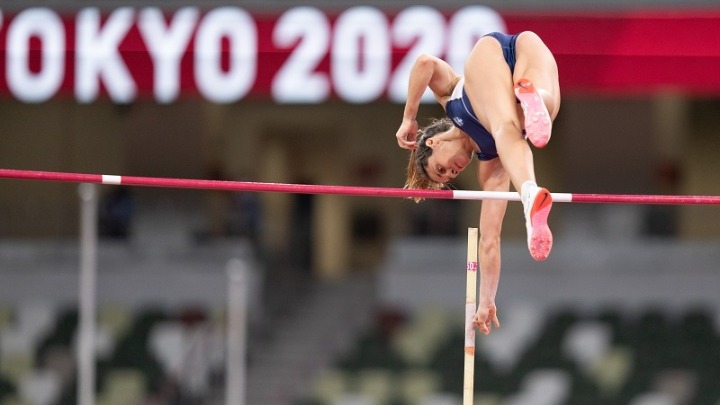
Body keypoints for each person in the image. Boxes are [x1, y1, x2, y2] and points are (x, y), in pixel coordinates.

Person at [394, 31, 561, 335]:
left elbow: (424, 63)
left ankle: (529, 192)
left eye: (441, 168)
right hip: (530, 46)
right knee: (544, 111)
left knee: (504, 127)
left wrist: (409, 117)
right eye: (450, 177)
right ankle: (534, 104)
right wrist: (487, 300)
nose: (452, 173)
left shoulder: (450, 99)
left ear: (432, 142)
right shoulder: (494, 164)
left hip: (489, 55)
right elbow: (489, 239)